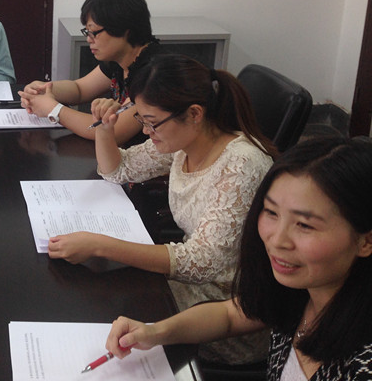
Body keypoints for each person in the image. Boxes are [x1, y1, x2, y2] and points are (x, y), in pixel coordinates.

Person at [48, 53, 276, 364]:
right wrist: (104, 129)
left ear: (194, 114)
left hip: (226, 307)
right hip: (189, 285)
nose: (145, 131)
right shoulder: (184, 142)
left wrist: (100, 245)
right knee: (92, 294)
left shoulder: (241, 165)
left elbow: (202, 262)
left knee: (99, 304)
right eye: (142, 120)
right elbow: (119, 170)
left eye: (152, 122)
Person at [105, 136, 372, 380]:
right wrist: (154, 332)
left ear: (366, 240)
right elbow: (231, 315)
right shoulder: (301, 291)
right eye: (271, 213)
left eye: (304, 225)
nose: (277, 240)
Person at [19, 0, 160, 143]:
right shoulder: (120, 59)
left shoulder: (154, 72)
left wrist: (53, 109)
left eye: (94, 32)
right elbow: (79, 89)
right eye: (87, 32)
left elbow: (114, 131)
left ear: (124, 30)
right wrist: (43, 89)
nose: (88, 39)